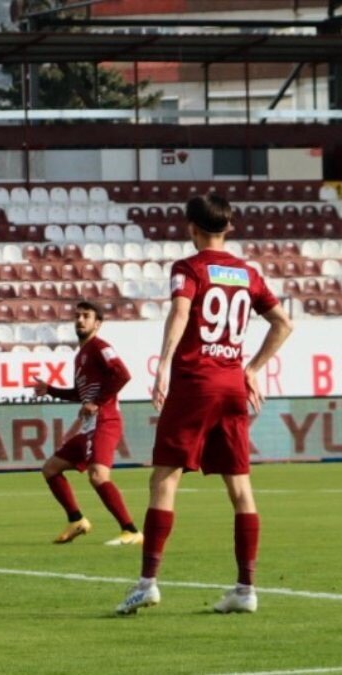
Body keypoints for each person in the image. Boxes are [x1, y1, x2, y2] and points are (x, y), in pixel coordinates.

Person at [116, 194, 293, 615]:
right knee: (240, 488)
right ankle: (246, 590)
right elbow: (284, 323)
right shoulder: (247, 272)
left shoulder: (189, 268)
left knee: (164, 480)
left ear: (190, 227)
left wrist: (162, 365)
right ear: (228, 227)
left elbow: (180, 313)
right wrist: (252, 369)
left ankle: (147, 583)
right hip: (233, 386)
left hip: (195, 384)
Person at [30, 301, 140, 546]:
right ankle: (76, 520)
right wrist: (51, 390)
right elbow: (82, 394)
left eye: (86, 316)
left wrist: (98, 403)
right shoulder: (81, 355)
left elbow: (122, 374)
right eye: (77, 316)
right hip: (91, 424)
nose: (80, 320)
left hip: (105, 421)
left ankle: (131, 530)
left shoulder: (100, 347)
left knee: (98, 476)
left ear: (97, 323)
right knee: (51, 468)